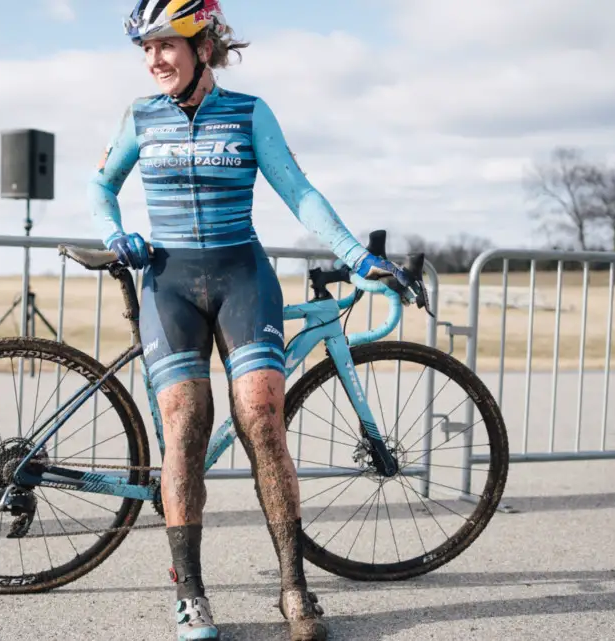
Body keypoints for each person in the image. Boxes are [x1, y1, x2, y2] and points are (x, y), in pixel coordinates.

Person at [88, 1, 413, 639]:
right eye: (145, 49)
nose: (154, 60)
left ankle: (295, 588)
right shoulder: (140, 117)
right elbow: (101, 186)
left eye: (166, 45)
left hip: (242, 275)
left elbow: (299, 191)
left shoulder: (249, 112)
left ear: (202, 45)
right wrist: (114, 231)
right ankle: (191, 597)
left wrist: (355, 255)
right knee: (185, 423)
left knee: (263, 417)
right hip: (169, 281)